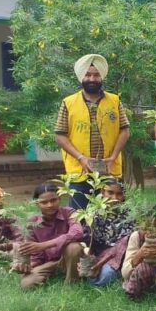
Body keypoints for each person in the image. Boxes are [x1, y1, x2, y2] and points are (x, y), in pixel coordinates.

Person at [54, 54, 130, 210]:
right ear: (81, 77)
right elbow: (60, 136)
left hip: (109, 170)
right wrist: (81, 158)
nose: (92, 79)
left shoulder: (114, 101)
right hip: (80, 170)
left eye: (96, 75)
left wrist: (113, 157)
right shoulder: (68, 103)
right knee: (80, 217)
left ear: (102, 77)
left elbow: (124, 131)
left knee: (112, 215)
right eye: (88, 75)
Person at [12, 182, 85, 290]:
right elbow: (35, 255)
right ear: (37, 204)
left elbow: (77, 233)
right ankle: (56, 273)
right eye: (44, 202)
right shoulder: (32, 222)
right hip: (48, 263)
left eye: (53, 200)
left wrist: (43, 245)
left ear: (59, 199)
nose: (50, 205)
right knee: (27, 284)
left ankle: (72, 283)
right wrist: (26, 267)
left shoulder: (69, 212)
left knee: (74, 247)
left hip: (69, 259)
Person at [81, 179, 134, 287]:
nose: (114, 198)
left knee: (106, 276)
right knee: (91, 273)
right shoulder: (93, 213)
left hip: (120, 255)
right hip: (98, 254)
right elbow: (87, 239)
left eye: (119, 194)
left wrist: (102, 262)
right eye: (110, 193)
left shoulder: (131, 214)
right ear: (102, 192)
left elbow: (126, 244)